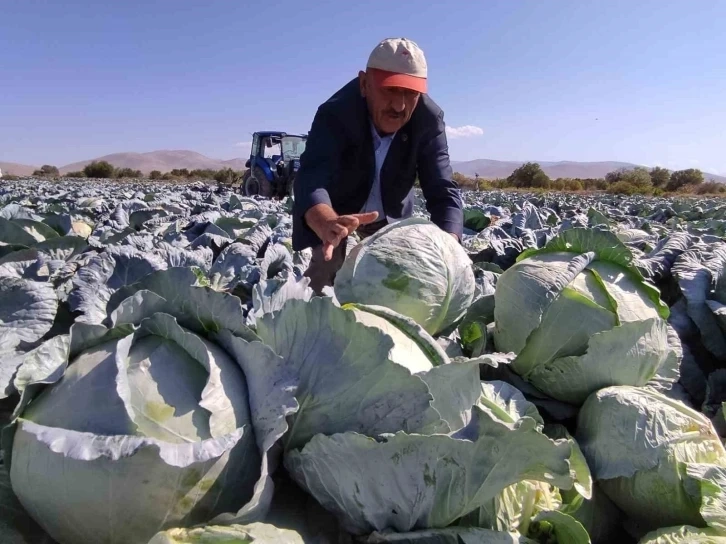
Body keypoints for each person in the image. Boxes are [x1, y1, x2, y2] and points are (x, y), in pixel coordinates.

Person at [292, 37, 464, 293]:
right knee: (325, 268)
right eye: (390, 90)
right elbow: (312, 177)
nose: (400, 105)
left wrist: (450, 244)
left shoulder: (428, 121)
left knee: (396, 285)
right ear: (364, 84)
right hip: (339, 212)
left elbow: (442, 189)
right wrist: (326, 222)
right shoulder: (335, 114)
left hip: (390, 213)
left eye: (411, 93)